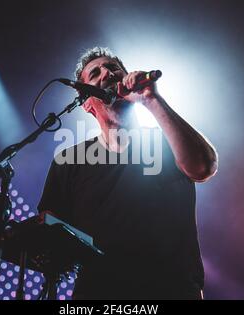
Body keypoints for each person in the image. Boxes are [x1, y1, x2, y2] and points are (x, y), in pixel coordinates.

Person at [37, 47, 218, 299]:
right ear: (87, 103)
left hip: (172, 290)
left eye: (113, 68)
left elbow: (203, 167)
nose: (107, 74)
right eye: (95, 73)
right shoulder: (69, 161)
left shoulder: (167, 143)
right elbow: (50, 230)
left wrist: (150, 99)